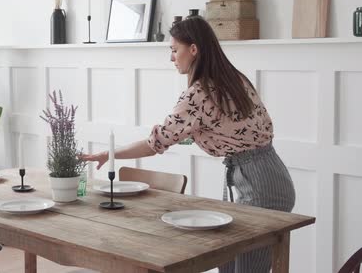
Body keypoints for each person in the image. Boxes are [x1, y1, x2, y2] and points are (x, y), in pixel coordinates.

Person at [80, 16, 295, 273]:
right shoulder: (235, 78)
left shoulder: (199, 94)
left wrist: (109, 153)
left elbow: (155, 144)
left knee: (244, 268)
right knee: (231, 262)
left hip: (258, 184)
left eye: (174, 49)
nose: (171, 57)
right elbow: (235, 129)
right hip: (269, 174)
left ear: (193, 49)